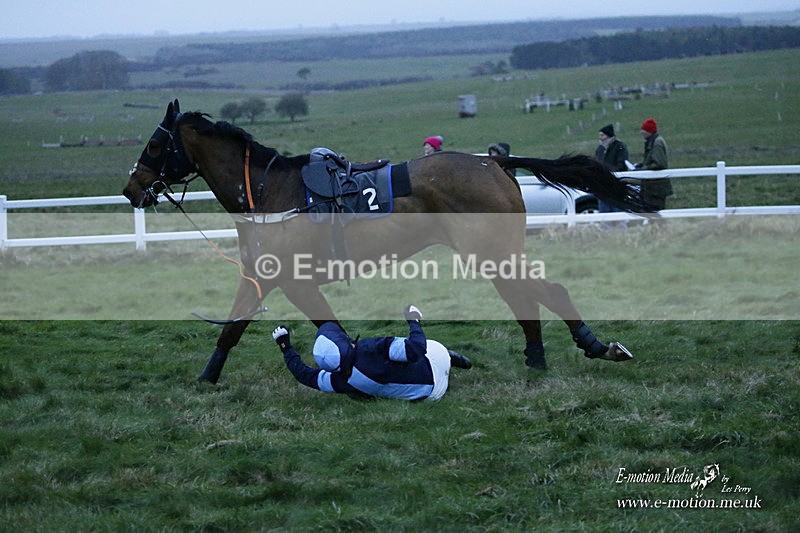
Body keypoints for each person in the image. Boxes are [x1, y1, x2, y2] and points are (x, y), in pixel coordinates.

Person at [272, 305, 472, 401]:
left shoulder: (339, 380)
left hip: (426, 398)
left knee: (356, 393)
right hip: (434, 373)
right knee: (429, 345)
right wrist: (414, 320)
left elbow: (303, 374)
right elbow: (416, 350)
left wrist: (285, 347)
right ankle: (448, 357)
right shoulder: (371, 348)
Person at [632, 118, 673, 210]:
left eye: (643, 130)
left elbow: (659, 164)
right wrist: (641, 165)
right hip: (653, 186)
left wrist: (642, 169)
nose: (641, 132)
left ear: (649, 131)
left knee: (654, 211)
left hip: (656, 188)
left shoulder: (657, 143)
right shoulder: (654, 141)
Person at [593, 124, 629, 214]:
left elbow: (621, 165)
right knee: (604, 215)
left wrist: (607, 171)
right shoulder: (600, 149)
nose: (600, 138)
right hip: (602, 188)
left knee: (618, 214)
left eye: (602, 135)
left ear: (608, 135)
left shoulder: (620, 147)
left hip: (616, 187)